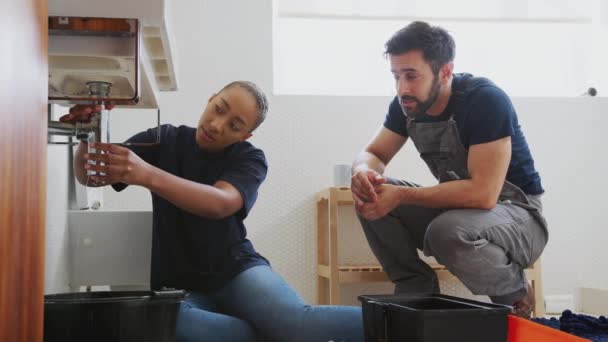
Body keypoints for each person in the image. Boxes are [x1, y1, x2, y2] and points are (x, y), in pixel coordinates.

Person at [63, 81, 363, 341]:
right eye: (219, 109)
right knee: (168, 324)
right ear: (210, 99)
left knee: (298, 323)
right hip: (179, 285)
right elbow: (93, 175)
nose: (218, 125)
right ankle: (274, 335)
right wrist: (89, 132)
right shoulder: (165, 139)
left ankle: (401, 322)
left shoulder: (250, 158)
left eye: (234, 125)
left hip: (237, 270)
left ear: (244, 136)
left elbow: (220, 203)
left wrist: (146, 174)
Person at [350, 21, 548, 319]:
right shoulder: (406, 105)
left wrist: (402, 195)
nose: (402, 88)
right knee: (373, 195)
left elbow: (483, 195)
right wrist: (364, 173)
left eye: (412, 76)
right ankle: (416, 294)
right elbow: (373, 153)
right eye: (396, 76)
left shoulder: (485, 100)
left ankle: (514, 297)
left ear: (445, 71)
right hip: (460, 211)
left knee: (447, 231)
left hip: (520, 217)